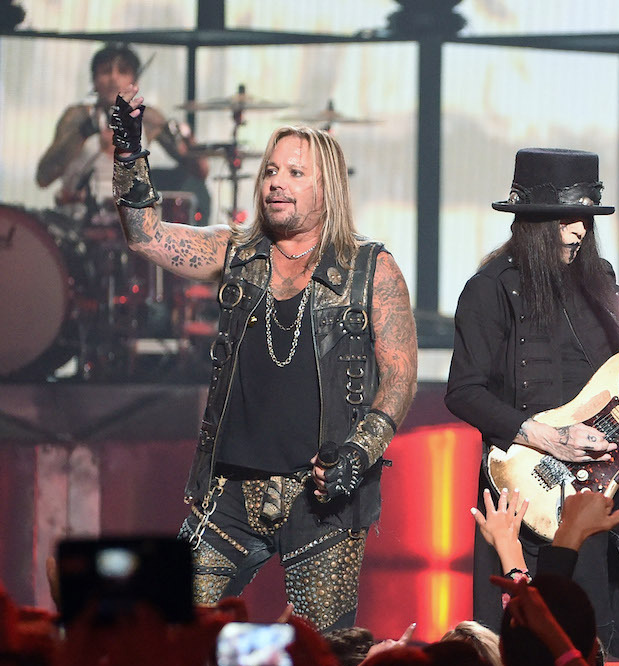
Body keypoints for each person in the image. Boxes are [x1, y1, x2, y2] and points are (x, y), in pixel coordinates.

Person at [108, 84, 417, 632]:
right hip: (228, 494)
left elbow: (399, 381)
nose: (277, 181)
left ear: (328, 188)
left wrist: (356, 455)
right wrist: (130, 152)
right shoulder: (236, 253)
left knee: (323, 659)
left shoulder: (372, 269)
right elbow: (145, 236)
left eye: (296, 173)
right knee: (168, 630)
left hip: (321, 499)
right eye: (272, 169)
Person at [444, 147, 619, 659]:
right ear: (531, 223)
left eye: (585, 219)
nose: (579, 231)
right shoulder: (490, 289)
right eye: (566, 219)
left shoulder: (600, 281)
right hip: (543, 484)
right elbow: (463, 391)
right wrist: (549, 437)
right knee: (578, 630)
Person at [37, 43, 208, 221]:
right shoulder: (78, 116)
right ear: (94, 81)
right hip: (78, 218)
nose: (114, 78)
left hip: (130, 223)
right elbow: (43, 177)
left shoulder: (147, 117)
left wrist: (187, 136)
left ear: (135, 82)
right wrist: (83, 132)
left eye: (123, 71)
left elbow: (200, 170)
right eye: (105, 71)